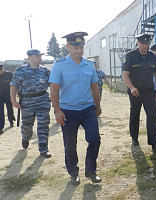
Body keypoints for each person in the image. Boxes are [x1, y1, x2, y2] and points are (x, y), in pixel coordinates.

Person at [49, 32, 102, 185]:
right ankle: (73, 172)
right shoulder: (59, 65)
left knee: (95, 139)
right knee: (70, 144)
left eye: (81, 47)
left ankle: (91, 170)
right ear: (68, 46)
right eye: (75, 47)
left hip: (87, 109)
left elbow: (94, 88)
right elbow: (54, 90)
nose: (79, 51)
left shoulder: (89, 65)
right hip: (68, 111)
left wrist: (97, 107)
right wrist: (57, 111)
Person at [122, 33, 156, 151]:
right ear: (137, 43)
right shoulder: (130, 56)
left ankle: (154, 143)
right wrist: (132, 88)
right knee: (135, 114)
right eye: (143, 43)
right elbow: (125, 75)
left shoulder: (152, 57)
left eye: (147, 43)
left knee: (152, 115)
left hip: (149, 91)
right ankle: (134, 137)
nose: (145, 46)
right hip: (135, 91)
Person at [10, 49, 51, 158]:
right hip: (27, 102)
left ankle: (43, 149)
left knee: (43, 124)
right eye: (37, 56)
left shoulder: (45, 71)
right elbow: (14, 85)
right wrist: (13, 100)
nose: (40, 58)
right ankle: (26, 137)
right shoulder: (20, 71)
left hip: (43, 100)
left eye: (40, 56)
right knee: (27, 124)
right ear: (29, 57)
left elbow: (53, 85)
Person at [0, 62, 15, 134]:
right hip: (0, 96)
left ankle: (11, 121)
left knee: (10, 108)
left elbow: (15, 84)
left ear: (2, 69)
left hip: (8, 94)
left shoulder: (10, 75)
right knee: (0, 111)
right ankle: (0, 127)